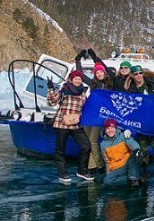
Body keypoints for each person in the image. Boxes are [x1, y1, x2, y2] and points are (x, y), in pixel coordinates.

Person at [46, 69, 92, 184]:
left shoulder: (83, 92)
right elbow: (51, 102)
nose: (78, 81)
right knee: (60, 149)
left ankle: (82, 170)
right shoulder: (64, 90)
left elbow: (87, 107)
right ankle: (63, 173)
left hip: (75, 124)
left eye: (80, 79)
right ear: (71, 80)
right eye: (76, 78)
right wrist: (51, 89)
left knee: (86, 146)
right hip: (62, 123)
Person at [75, 48, 115, 179]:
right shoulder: (92, 83)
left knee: (93, 141)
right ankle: (92, 167)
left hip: (101, 117)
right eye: (97, 72)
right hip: (90, 114)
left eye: (100, 72)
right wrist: (77, 60)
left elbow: (106, 68)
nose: (99, 74)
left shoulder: (110, 84)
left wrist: (95, 58)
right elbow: (80, 74)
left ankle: (97, 166)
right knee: (87, 141)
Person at [124, 64, 154, 183]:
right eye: (136, 74)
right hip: (140, 123)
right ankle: (145, 171)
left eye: (140, 73)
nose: (139, 76)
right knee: (143, 148)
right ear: (132, 76)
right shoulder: (131, 90)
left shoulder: (153, 85)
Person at [99, 118, 143, 187]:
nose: (110, 130)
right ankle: (132, 180)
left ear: (116, 128)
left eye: (112, 127)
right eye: (108, 128)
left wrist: (137, 149)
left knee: (135, 153)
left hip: (128, 164)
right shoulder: (103, 144)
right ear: (105, 131)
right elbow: (107, 161)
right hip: (117, 169)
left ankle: (134, 179)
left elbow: (132, 143)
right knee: (107, 181)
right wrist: (109, 175)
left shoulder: (123, 135)